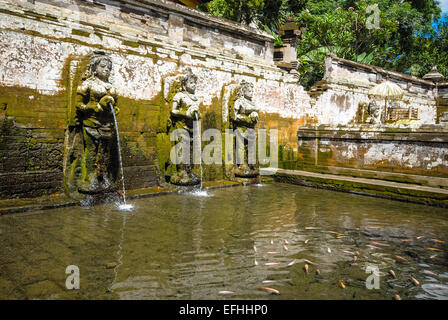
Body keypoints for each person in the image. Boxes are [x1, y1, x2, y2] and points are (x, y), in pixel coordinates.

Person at [75, 51, 119, 193]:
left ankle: (102, 175)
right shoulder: (87, 84)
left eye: (109, 68)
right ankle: (90, 177)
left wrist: (115, 110)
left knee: (105, 151)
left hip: (108, 124)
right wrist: (94, 107)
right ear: (94, 68)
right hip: (91, 122)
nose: (106, 70)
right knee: (92, 150)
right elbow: (78, 104)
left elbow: (116, 105)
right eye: (103, 66)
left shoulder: (111, 87)